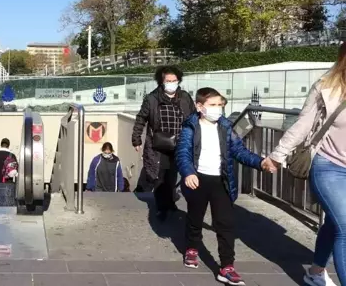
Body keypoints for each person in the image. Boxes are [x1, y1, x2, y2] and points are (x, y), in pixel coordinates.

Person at [262, 43, 346, 286]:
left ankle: (316, 272)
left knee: (335, 223)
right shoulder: (326, 87)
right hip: (329, 166)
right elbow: (303, 124)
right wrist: (278, 154)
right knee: (345, 227)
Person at [176, 87, 276, 286]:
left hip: (221, 181)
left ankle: (227, 267)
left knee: (225, 224)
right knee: (195, 217)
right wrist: (188, 172)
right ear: (200, 106)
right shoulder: (190, 127)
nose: (217, 109)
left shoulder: (226, 126)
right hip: (198, 179)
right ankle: (192, 248)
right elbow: (183, 153)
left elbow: (239, 151)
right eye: (212, 105)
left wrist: (260, 162)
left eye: (220, 105)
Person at [132, 66, 196, 220]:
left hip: (180, 143)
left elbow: (193, 117)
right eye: (168, 81)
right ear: (161, 81)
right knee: (160, 176)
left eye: (174, 81)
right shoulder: (152, 98)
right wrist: (136, 138)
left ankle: (170, 202)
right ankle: (161, 206)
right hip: (159, 144)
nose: (171, 83)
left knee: (173, 174)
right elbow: (141, 118)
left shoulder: (185, 97)